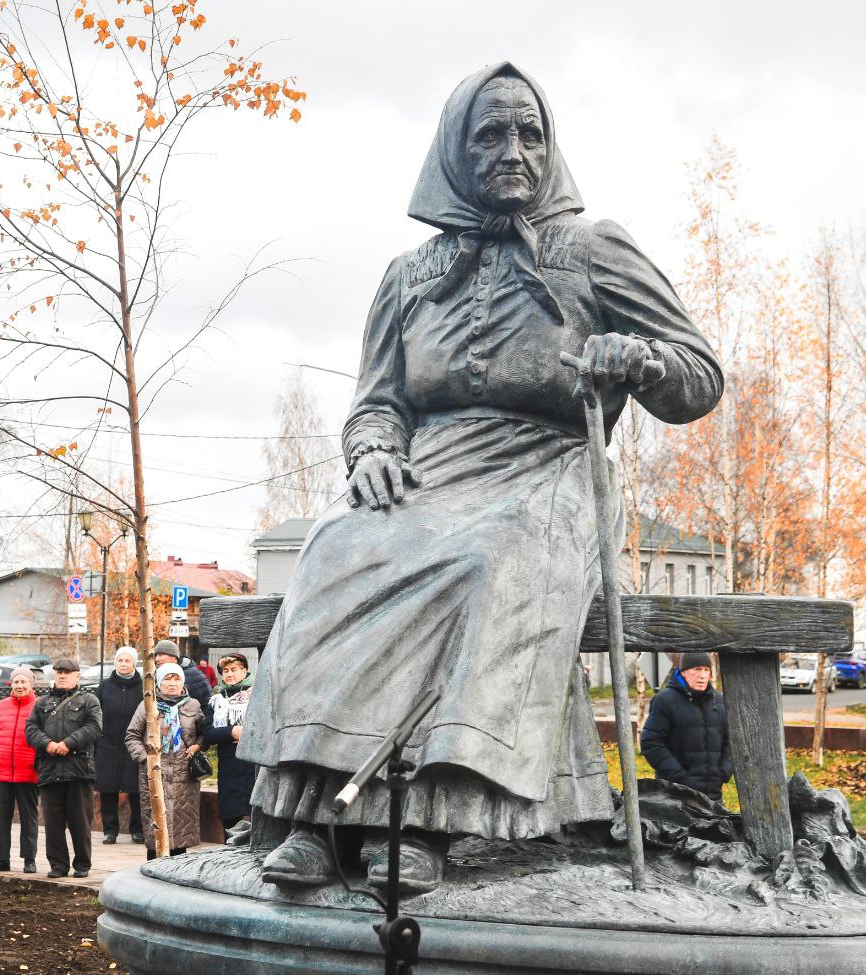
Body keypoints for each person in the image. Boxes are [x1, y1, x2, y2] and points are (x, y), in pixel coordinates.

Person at [238, 63, 723, 895]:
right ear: (455, 153)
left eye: (530, 133)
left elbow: (699, 374)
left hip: (551, 469)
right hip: (427, 475)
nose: (513, 151)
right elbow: (376, 403)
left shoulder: (593, 247)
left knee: (491, 561)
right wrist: (375, 452)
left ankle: (427, 822)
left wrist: (636, 358)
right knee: (333, 548)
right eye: (491, 134)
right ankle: (315, 818)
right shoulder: (409, 276)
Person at [25, 657, 102, 879]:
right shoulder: (42, 702)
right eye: (58, 671)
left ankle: (82, 864)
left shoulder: (90, 700)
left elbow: (94, 727)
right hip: (50, 770)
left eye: (67, 672)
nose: (62, 675)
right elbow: (30, 728)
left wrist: (68, 743)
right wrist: (47, 744)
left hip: (79, 770)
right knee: (53, 824)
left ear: (77, 675)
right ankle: (58, 865)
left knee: (80, 822)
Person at [125, 663, 205, 860]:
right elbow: (132, 736)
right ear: (159, 682)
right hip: (153, 776)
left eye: (176, 679)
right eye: (168, 678)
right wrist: (146, 759)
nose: (172, 683)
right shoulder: (147, 704)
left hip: (183, 778)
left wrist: (198, 746)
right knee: (156, 833)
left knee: (180, 834)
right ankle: (153, 876)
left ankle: (177, 877)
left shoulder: (193, 705)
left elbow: (204, 735)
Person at [640, 652, 734, 801]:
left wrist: (724, 772)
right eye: (697, 669)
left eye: (706, 670)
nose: (702, 675)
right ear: (683, 672)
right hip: (675, 795)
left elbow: (732, 741)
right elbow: (651, 743)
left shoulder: (720, 701)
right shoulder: (664, 700)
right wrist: (680, 778)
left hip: (713, 794)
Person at [0, 666, 40, 873]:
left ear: (31, 684)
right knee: (1, 818)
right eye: (16, 682)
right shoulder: (0, 707)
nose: (19, 686)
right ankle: (1, 859)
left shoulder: (39, 707)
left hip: (28, 774)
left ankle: (29, 859)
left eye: (24, 682)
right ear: (11, 684)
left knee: (29, 819)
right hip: (1, 774)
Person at [95, 646, 144, 844]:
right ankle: (110, 830)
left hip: (135, 744)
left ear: (134, 663)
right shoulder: (105, 686)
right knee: (108, 788)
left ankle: (137, 829)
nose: (123, 664)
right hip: (108, 743)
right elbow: (96, 713)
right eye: (120, 661)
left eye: (127, 661)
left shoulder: (143, 686)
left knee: (136, 789)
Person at [202, 653, 256, 831]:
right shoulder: (216, 701)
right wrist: (233, 731)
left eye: (234, 670)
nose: (229, 674)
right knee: (230, 821)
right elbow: (209, 733)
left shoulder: (256, 696)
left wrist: (247, 735)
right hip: (229, 768)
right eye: (225, 671)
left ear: (244, 670)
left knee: (253, 817)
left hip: (253, 765)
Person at [153, 639, 211, 712]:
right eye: (156, 656)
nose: (157, 659)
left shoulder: (194, 675)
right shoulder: (154, 676)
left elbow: (208, 705)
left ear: (174, 657)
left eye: (161, 655)